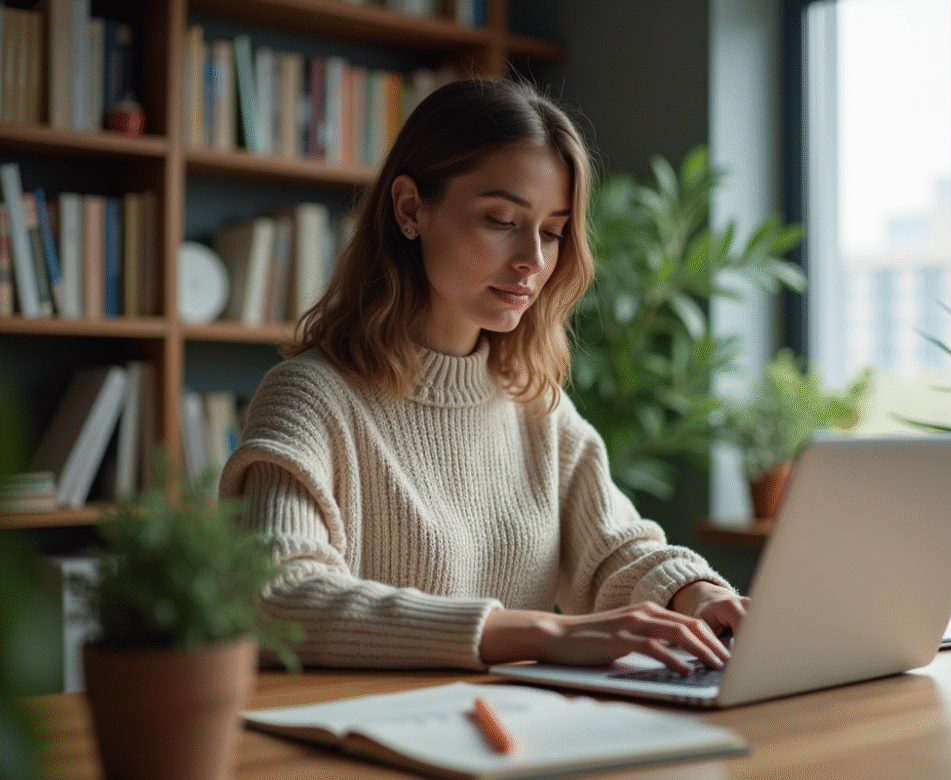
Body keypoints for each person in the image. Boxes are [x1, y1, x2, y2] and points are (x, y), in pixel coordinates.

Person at [220, 77, 748, 673]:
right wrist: (542, 633)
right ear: (410, 209)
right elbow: (274, 598)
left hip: (507, 735)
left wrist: (697, 595)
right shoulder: (310, 399)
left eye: (551, 231)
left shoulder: (533, 405)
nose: (534, 260)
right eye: (501, 220)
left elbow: (616, 548)